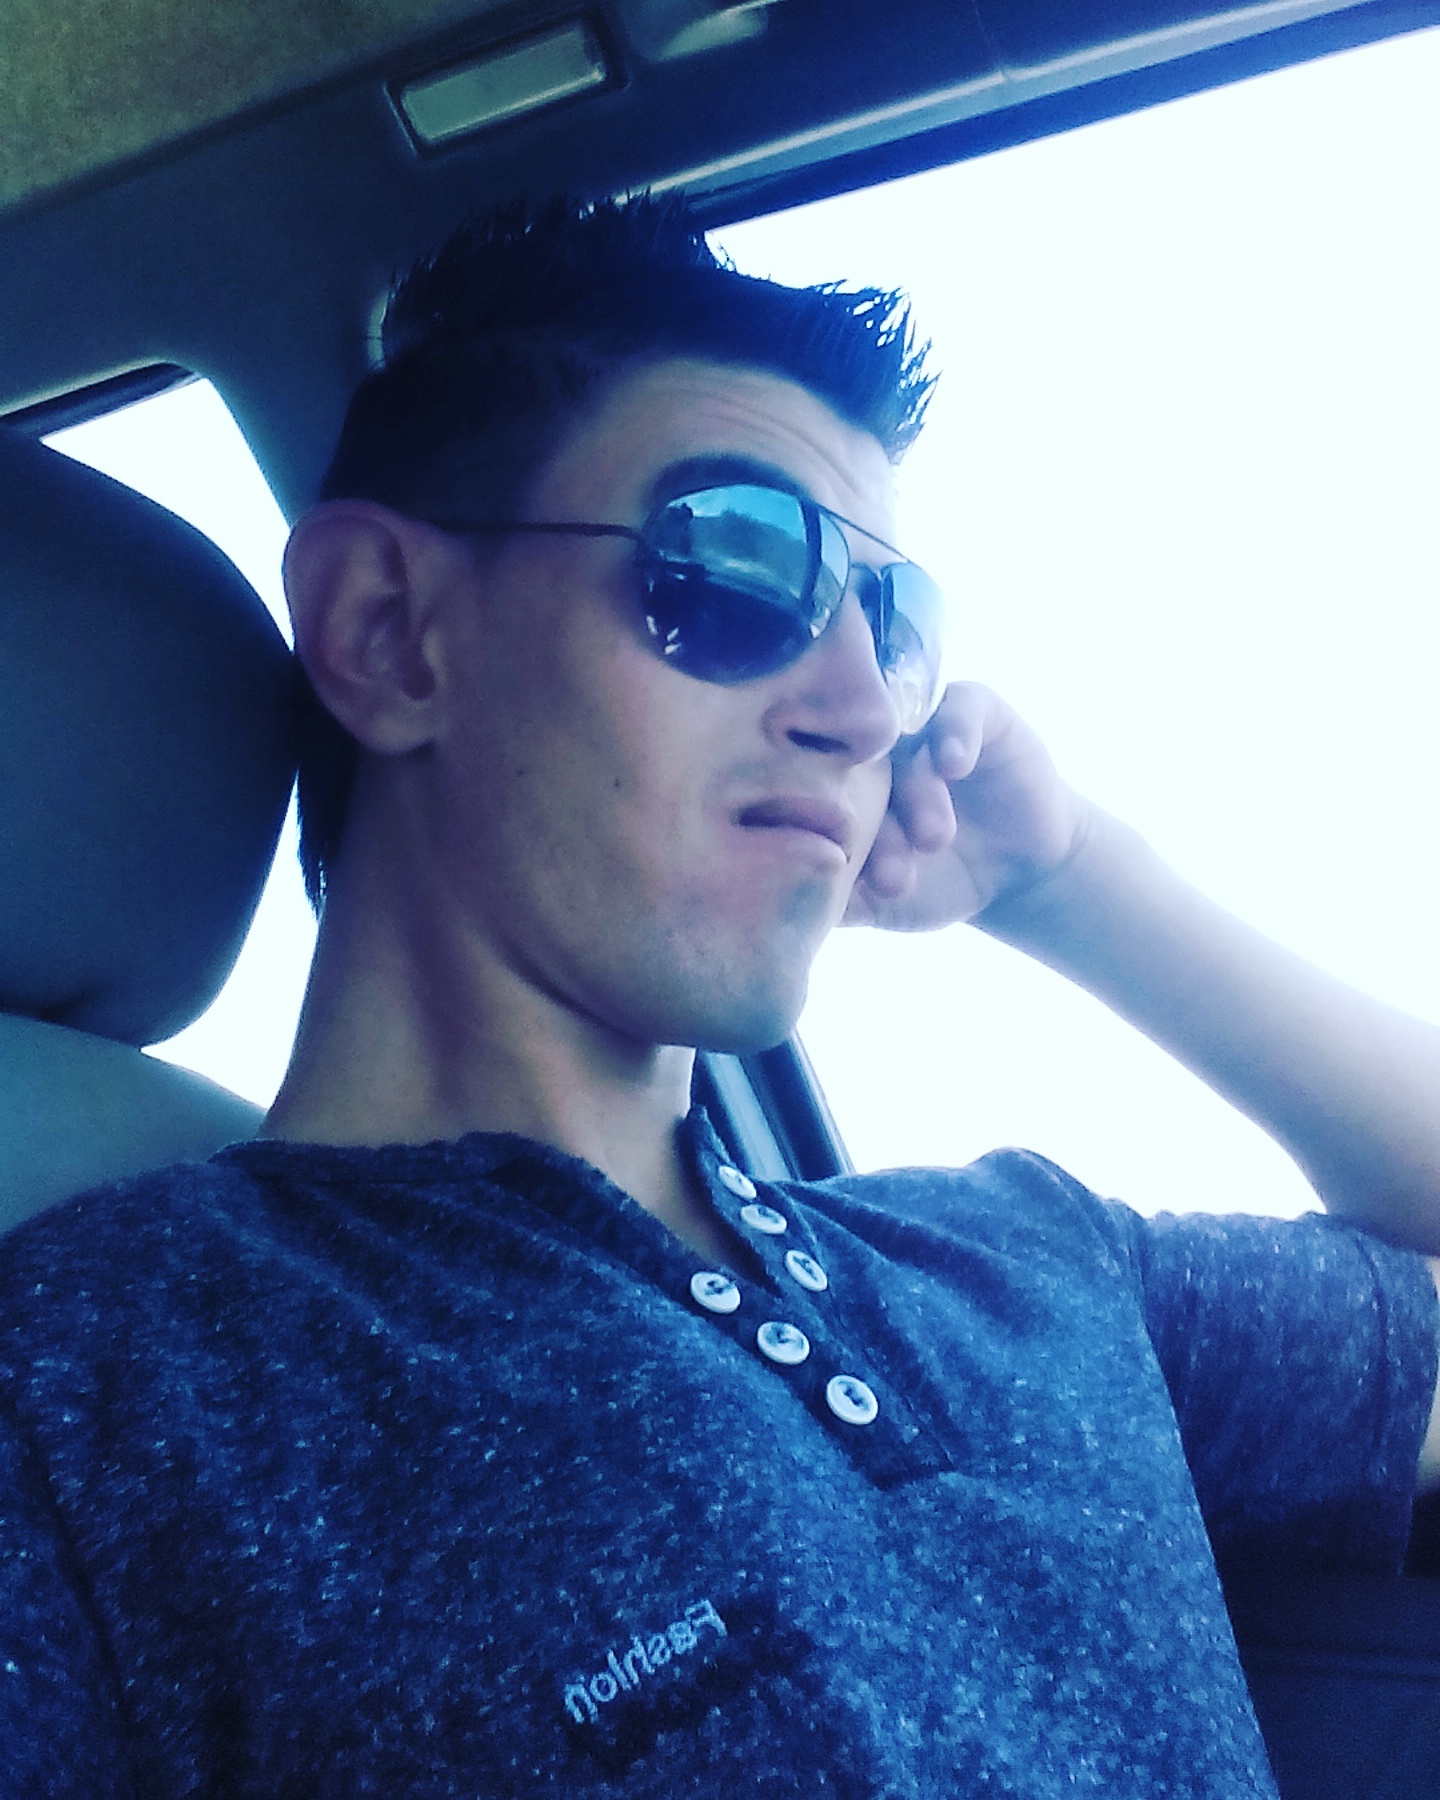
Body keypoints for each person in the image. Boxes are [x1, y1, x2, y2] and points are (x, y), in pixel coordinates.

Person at [1, 194, 1437, 1798]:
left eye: (894, 625)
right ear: (393, 635)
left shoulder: (1028, 1259)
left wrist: (1077, 879)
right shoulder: (92, 1387)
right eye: (739, 566)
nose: (862, 706)